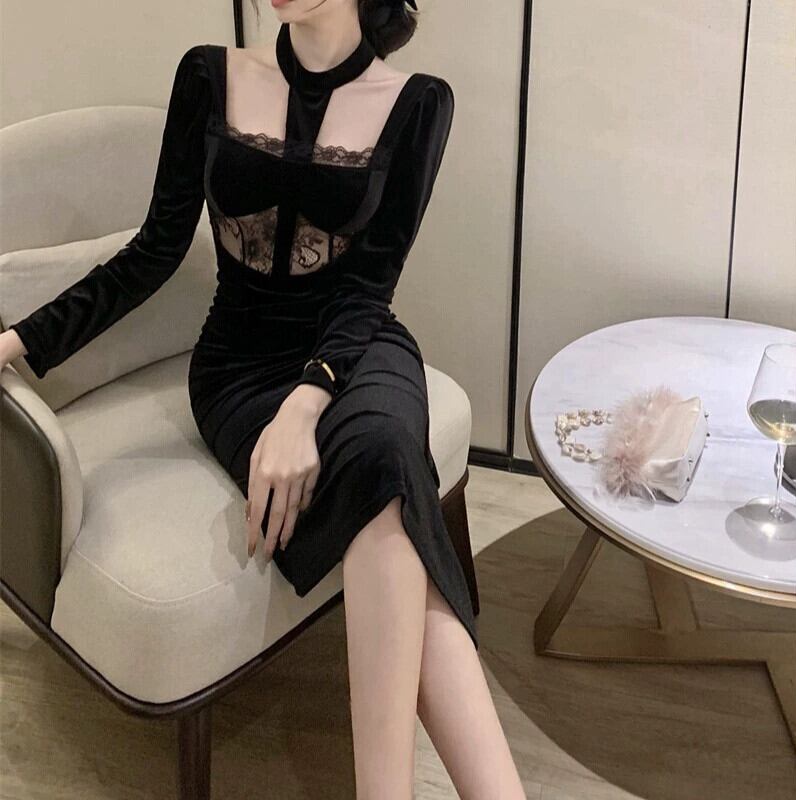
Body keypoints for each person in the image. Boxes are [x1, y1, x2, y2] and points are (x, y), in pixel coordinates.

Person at [0, 1, 527, 797]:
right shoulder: (208, 76)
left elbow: (369, 289)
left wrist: (306, 405)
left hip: (357, 351)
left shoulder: (419, 103)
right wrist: (16, 342)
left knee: (384, 457)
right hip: (238, 370)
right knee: (388, 489)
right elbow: (151, 254)